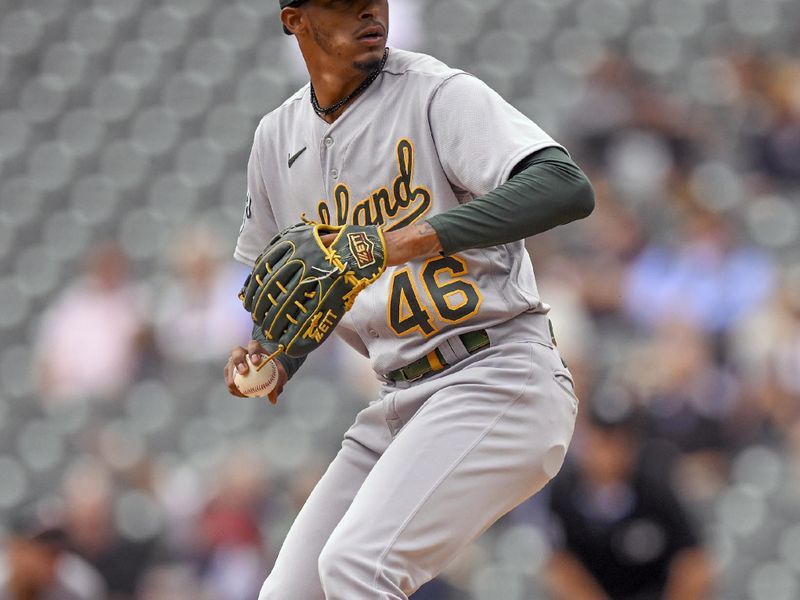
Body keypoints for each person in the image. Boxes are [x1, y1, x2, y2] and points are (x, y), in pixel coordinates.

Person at [224, 1, 594, 598]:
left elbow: (565, 186)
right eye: (346, 2)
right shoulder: (276, 140)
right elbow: (309, 290)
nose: (371, 11)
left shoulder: (435, 94)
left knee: (356, 566)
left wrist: (392, 243)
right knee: (290, 593)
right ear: (295, 20)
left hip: (497, 373)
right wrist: (275, 357)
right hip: (401, 399)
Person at [543, 407, 714, 600]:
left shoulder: (655, 486)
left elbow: (693, 561)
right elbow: (560, 565)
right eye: (602, 440)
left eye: (618, 440)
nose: (609, 453)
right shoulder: (564, 492)